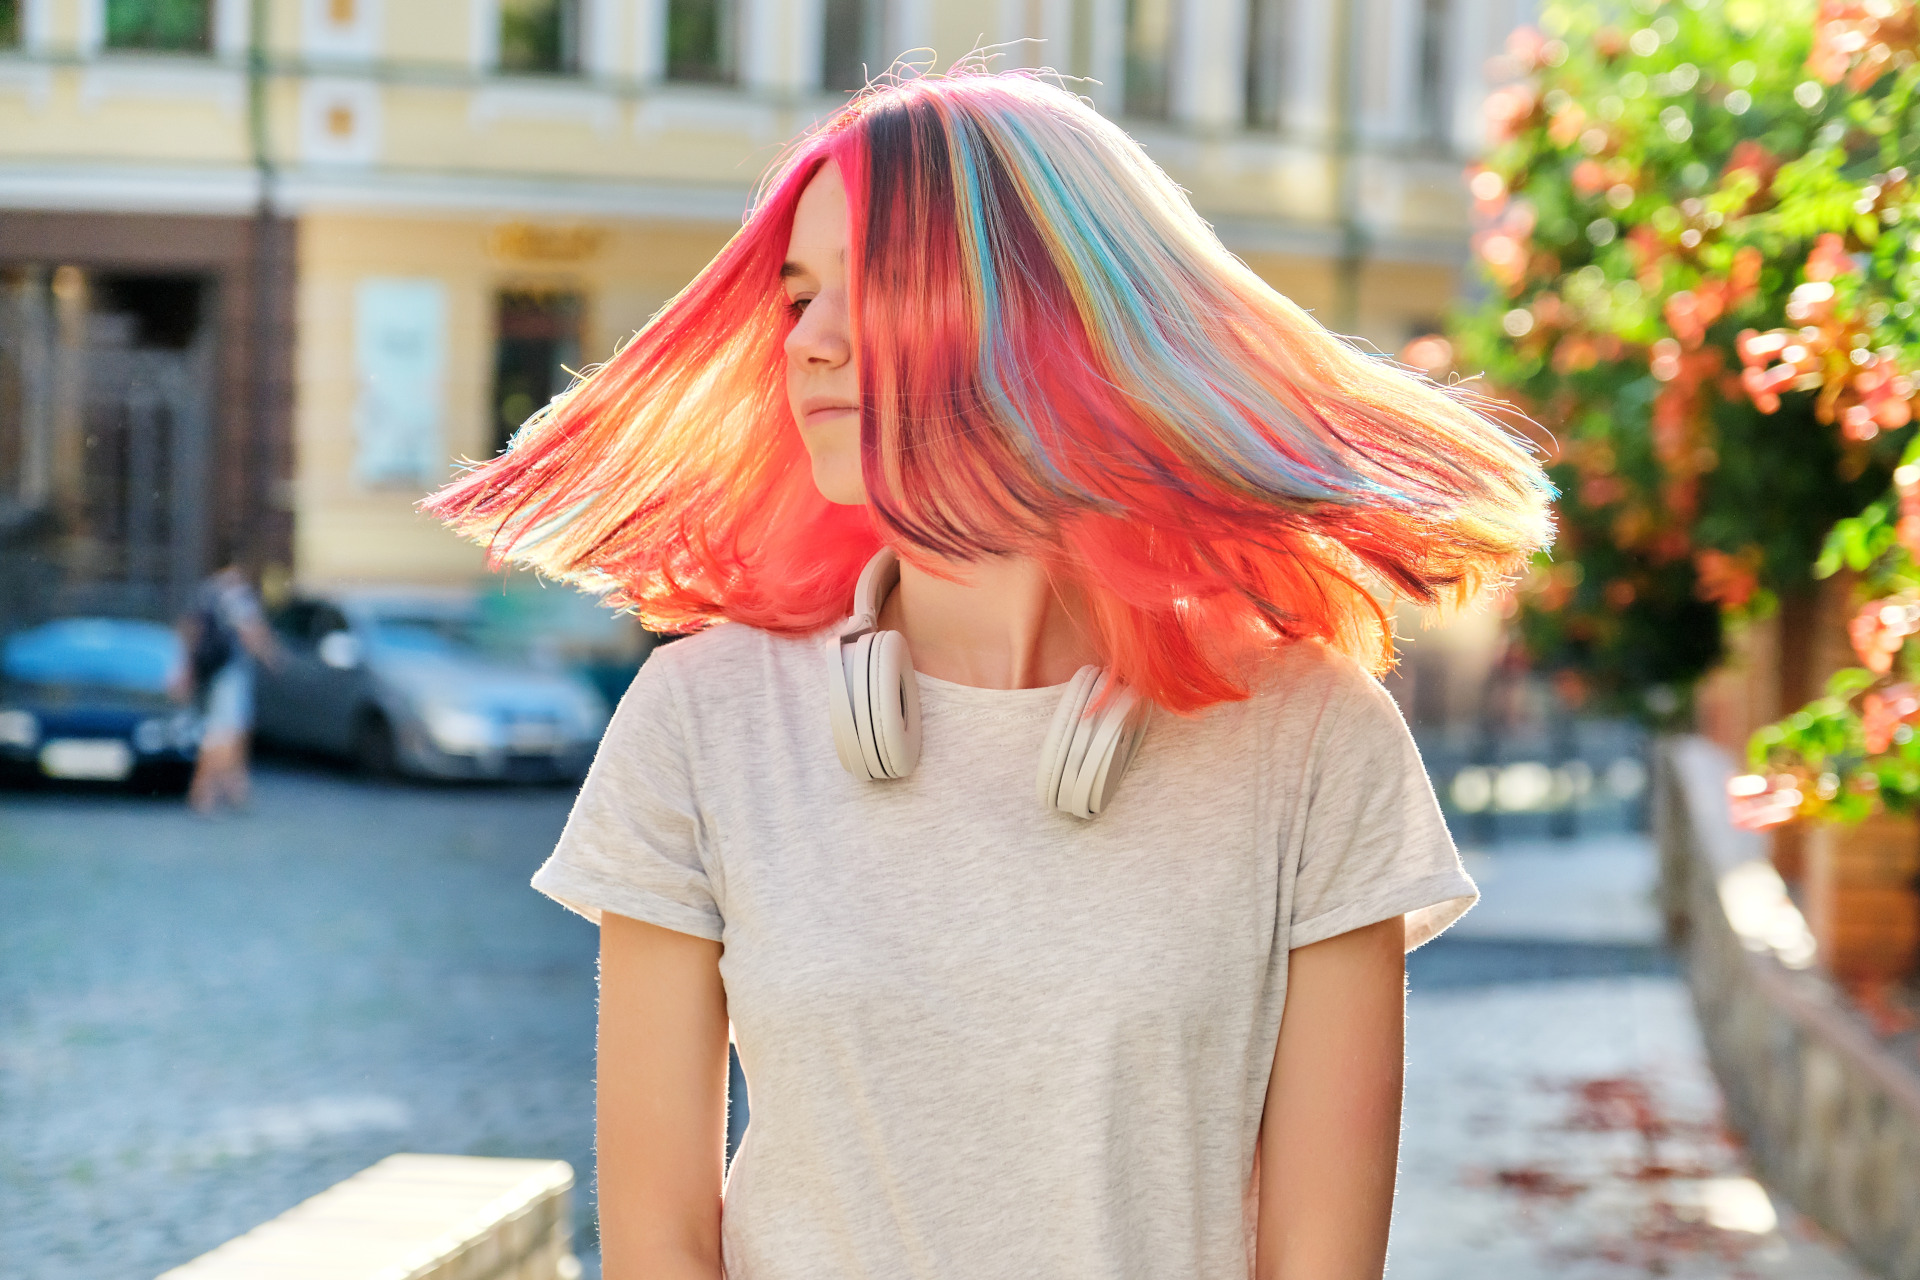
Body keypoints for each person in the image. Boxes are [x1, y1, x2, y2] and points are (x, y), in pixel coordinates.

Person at [430, 71, 1551, 1280]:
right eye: (799, 296)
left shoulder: (1316, 738)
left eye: (870, 289)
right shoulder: (701, 721)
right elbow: (658, 1248)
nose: (805, 339)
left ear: (1045, 321)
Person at [177, 560, 279, 814]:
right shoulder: (235, 593)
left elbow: (189, 629)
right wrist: (271, 656)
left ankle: (234, 789)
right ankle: (204, 795)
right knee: (223, 733)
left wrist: (187, 668)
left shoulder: (208, 591)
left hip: (216, 673)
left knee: (230, 732)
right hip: (230, 674)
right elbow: (251, 631)